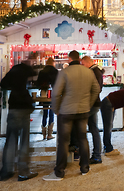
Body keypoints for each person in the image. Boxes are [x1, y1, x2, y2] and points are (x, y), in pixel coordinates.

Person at [43, 51, 100, 181]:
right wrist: (88, 104)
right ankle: (85, 168)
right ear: (79, 59)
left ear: (69, 59)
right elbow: (96, 90)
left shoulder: (64, 72)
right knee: (83, 139)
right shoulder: (88, 72)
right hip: (83, 110)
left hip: (66, 111)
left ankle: (59, 171)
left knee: (63, 141)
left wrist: (56, 109)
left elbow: (56, 93)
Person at [0, 60, 38, 182]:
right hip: (25, 106)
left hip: (14, 106)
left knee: (10, 140)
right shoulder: (27, 70)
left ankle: (7, 170)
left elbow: (3, 84)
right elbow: (35, 75)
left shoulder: (13, 70)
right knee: (24, 141)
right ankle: (23, 171)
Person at [81, 56, 105, 164]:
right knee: (93, 128)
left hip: (91, 104)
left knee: (85, 127)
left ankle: (95, 155)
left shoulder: (94, 72)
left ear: (87, 63)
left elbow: (97, 89)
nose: (82, 66)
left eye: (83, 64)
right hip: (93, 103)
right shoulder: (96, 71)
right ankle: (96, 155)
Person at [36, 58, 58, 141]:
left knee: (45, 112)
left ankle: (44, 134)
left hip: (44, 93)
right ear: (53, 63)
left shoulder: (42, 72)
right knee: (51, 112)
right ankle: (50, 134)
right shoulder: (55, 71)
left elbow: (38, 83)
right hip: (53, 93)